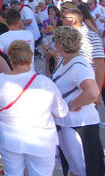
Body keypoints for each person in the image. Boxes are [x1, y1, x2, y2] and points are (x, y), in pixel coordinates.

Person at [0, 40, 68, 176]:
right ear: (30, 58)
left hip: (10, 139)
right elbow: (61, 111)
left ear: (10, 58)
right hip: (41, 140)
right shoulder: (45, 83)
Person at [52, 26, 105, 176]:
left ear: (59, 44)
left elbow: (92, 92)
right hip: (69, 124)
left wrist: (70, 105)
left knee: (84, 169)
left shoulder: (78, 65)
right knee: (75, 168)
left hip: (80, 125)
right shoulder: (66, 61)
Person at [62, 7, 105, 93]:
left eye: (64, 17)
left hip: (84, 89)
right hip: (68, 88)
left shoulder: (91, 37)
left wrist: (96, 91)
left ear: (73, 20)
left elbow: (100, 66)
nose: (61, 19)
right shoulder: (66, 37)